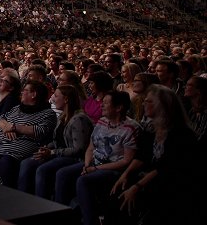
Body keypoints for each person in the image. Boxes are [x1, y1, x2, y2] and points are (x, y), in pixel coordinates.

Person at [111, 85, 202, 225]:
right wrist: (126, 174)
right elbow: (142, 155)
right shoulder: (152, 129)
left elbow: (167, 167)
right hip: (154, 177)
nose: (143, 104)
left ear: (163, 105)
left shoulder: (181, 134)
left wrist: (137, 187)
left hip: (174, 184)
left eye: (149, 102)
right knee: (119, 188)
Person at [54, 90, 140, 225]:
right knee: (62, 174)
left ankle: (90, 221)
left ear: (119, 108)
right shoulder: (102, 121)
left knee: (83, 181)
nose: (102, 106)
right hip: (93, 163)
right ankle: (61, 217)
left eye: (106, 103)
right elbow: (90, 147)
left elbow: (126, 161)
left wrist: (95, 168)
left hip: (113, 168)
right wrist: (88, 164)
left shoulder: (131, 128)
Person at [0, 79, 56, 188]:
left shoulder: (47, 113)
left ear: (34, 94)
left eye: (25, 90)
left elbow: (40, 131)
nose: (21, 92)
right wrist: (6, 127)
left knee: (5, 163)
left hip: (15, 151)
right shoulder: (17, 108)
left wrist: (14, 127)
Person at [18, 85, 94, 198]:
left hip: (74, 158)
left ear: (66, 99)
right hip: (59, 153)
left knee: (43, 170)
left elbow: (78, 149)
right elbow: (58, 140)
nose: (53, 99)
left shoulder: (79, 119)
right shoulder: (62, 116)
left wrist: (52, 152)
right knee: (27, 162)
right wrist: (47, 147)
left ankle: (43, 205)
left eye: (56, 96)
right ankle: (24, 198)